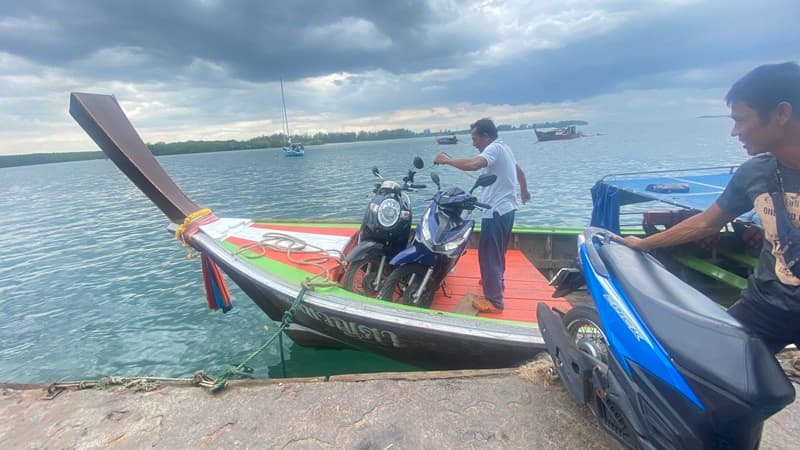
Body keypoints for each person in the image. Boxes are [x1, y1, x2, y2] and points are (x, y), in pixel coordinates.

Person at [616, 61, 800, 353]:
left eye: (740, 120)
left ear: (781, 113)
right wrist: (644, 244)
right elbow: (706, 223)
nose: (734, 132)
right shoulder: (755, 173)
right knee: (710, 366)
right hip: (766, 306)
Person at [433, 118, 531, 313]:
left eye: (474, 138)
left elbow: (474, 164)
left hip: (495, 212)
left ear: (485, 136)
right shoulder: (504, 148)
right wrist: (524, 191)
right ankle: (496, 281)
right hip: (507, 209)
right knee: (497, 253)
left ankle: (494, 301)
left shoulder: (493, 149)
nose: (473, 142)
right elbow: (519, 171)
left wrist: (446, 160)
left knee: (488, 256)